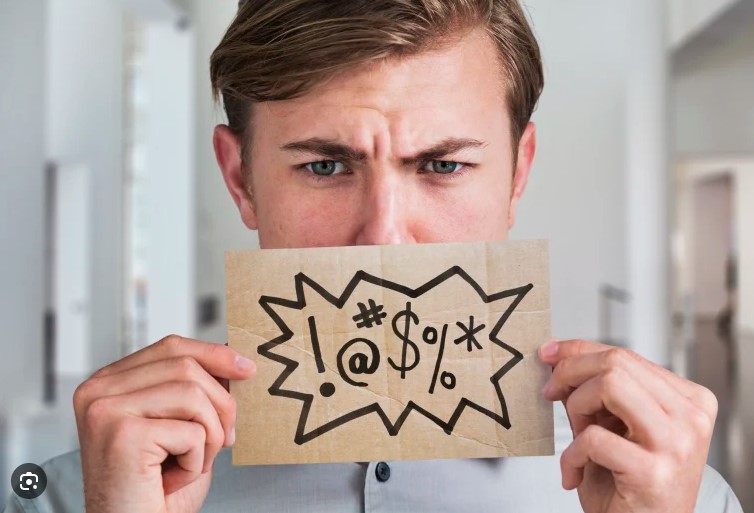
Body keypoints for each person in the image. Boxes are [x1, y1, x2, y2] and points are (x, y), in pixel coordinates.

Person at [4, 1, 743, 512]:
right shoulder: (78, 495)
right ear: (241, 179)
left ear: (518, 173)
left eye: (444, 166)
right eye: (325, 166)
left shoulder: (665, 491)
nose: (385, 236)